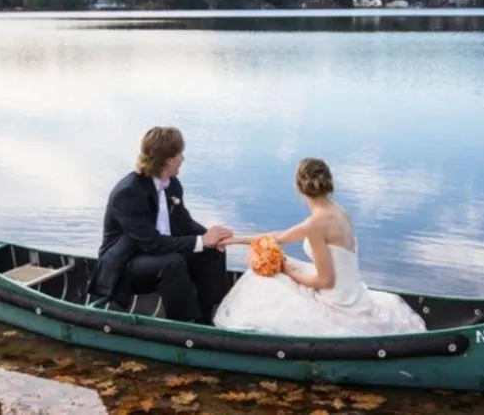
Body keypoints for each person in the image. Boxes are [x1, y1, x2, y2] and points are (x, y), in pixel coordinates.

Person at [211, 157, 427, 336]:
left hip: (338, 300)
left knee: (261, 278)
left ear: (299, 188)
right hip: (352, 290)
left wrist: (288, 271)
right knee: (277, 268)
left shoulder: (316, 224)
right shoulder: (341, 213)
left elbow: (325, 281)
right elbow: (280, 237)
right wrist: (235, 239)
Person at [87, 126, 234, 324]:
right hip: (126, 266)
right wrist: (201, 241)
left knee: (212, 251)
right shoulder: (128, 193)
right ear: (168, 159)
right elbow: (152, 244)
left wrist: (213, 237)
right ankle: (184, 325)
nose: (182, 159)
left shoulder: (172, 183)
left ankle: (212, 316)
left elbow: (184, 223)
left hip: (159, 256)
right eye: (180, 154)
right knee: (173, 262)